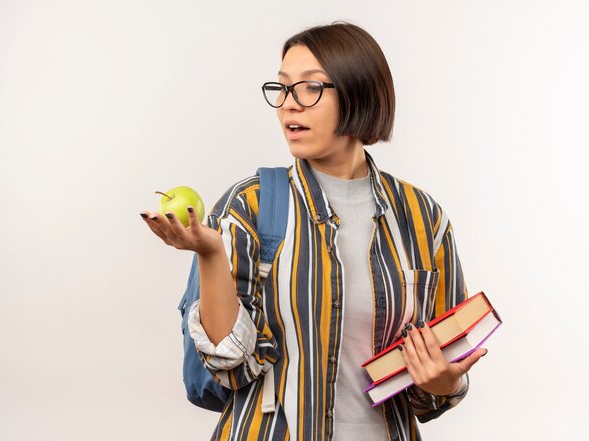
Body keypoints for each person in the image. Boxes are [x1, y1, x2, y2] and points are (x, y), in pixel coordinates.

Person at [141, 21, 486, 441]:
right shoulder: (247, 208)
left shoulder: (422, 218)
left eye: (310, 88)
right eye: (283, 88)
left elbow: (437, 380)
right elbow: (230, 369)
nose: (289, 105)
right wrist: (211, 254)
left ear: (359, 91)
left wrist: (445, 383)